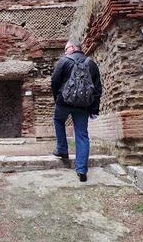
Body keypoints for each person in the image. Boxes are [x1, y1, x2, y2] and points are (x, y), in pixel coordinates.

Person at [50, 40, 102, 182]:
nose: (65, 52)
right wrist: (94, 108)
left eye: (66, 49)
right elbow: (97, 88)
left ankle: (62, 150)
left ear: (73, 48)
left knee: (58, 120)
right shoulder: (91, 63)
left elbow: (54, 82)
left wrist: (58, 99)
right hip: (83, 106)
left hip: (64, 102)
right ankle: (81, 171)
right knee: (82, 135)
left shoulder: (64, 61)